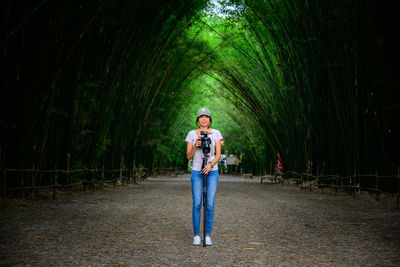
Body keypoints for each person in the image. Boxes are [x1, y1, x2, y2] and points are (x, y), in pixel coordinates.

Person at [185, 107, 223, 246]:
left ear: (210, 119)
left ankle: (207, 235)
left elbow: (218, 154)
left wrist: (211, 164)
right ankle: (196, 235)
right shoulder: (191, 134)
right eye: (201, 116)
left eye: (206, 116)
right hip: (196, 171)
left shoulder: (216, 133)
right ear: (197, 119)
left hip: (211, 171)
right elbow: (188, 156)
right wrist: (195, 145)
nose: (204, 119)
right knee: (196, 203)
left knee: (210, 204)